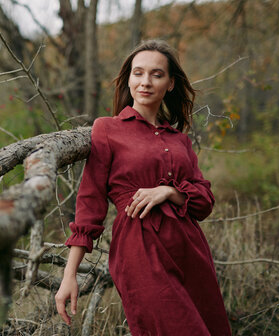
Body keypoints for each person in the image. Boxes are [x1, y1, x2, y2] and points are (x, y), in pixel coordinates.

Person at [55, 39, 232, 336]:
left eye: (156, 74)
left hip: (190, 249)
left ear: (171, 84)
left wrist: (169, 192)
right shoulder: (107, 129)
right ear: (128, 79)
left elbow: (204, 203)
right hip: (140, 249)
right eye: (138, 73)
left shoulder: (180, 140)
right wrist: (69, 275)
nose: (145, 82)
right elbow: (89, 205)